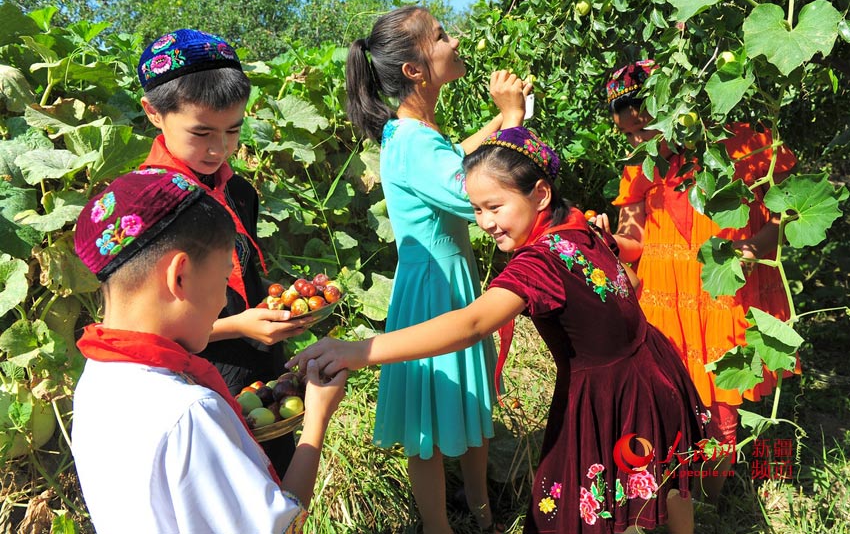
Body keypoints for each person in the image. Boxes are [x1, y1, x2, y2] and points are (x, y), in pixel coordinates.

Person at [289, 127, 712, 534]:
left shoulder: (538, 264)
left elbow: (470, 323)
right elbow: (632, 286)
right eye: (476, 209)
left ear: (540, 193)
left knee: (591, 508)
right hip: (653, 369)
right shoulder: (577, 225)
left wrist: (356, 351)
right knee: (667, 477)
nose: (485, 221)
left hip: (606, 394)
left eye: (495, 206)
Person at [71, 169, 347, 532]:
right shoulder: (189, 414)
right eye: (222, 281)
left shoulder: (96, 380)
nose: (222, 302)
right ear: (179, 276)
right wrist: (316, 420)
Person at [345, 5, 529, 533]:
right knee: (430, 417)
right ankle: (438, 526)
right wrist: (513, 122)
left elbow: (456, 159)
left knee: (470, 407)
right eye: (442, 36)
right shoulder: (411, 139)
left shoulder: (417, 133)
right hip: (434, 291)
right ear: (415, 70)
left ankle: (481, 512)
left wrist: (499, 121)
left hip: (446, 281)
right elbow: (466, 190)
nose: (454, 40)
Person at [596, 60, 798, 501]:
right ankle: (684, 493)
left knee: (723, 395)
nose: (634, 141)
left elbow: (789, 212)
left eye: (640, 129)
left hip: (722, 290)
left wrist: (755, 246)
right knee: (675, 395)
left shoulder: (743, 143)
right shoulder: (640, 165)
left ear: (670, 108)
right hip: (668, 298)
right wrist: (610, 239)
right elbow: (634, 239)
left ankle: (714, 496)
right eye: (626, 133)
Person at [135, 28, 309, 476]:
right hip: (197, 377)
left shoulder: (238, 190)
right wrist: (238, 325)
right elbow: (146, 328)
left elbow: (245, 276)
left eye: (233, 130)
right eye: (201, 132)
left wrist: (280, 303)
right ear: (154, 113)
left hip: (259, 361)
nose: (219, 148)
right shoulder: (146, 208)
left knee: (275, 476)